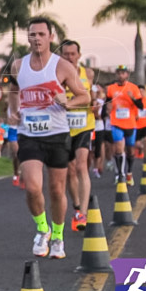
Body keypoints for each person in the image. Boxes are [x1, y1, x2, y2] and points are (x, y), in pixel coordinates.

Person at [6, 17, 89, 259]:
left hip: (56, 134)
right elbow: (13, 90)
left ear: (50, 37)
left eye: (41, 34)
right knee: (32, 187)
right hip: (28, 134)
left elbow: (84, 97)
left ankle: (58, 236)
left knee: (55, 189)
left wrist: (69, 102)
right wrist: (13, 112)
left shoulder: (62, 66)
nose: (36, 39)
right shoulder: (18, 66)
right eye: (32, 35)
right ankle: (43, 229)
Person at [59, 39, 96, 232]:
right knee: (70, 171)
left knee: (82, 165)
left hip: (84, 125)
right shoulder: (57, 75)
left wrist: (95, 102)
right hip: (64, 127)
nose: (70, 58)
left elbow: (93, 98)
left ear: (79, 56)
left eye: (73, 54)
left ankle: (82, 213)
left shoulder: (87, 74)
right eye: (66, 54)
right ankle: (76, 205)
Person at [106, 66, 145, 185]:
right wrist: (107, 110)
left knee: (130, 150)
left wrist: (132, 98)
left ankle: (129, 172)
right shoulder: (111, 88)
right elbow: (107, 102)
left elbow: (141, 106)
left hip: (130, 123)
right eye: (118, 73)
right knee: (118, 148)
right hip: (116, 123)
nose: (120, 75)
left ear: (127, 75)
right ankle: (119, 174)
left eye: (123, 73)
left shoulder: (133, 88)